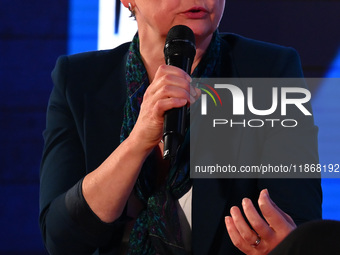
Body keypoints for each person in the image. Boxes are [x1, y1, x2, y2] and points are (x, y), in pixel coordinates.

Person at [39, 0, 322, 254]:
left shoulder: (269, 71)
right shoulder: (78, 81)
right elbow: (62, 239)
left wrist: (284, 247)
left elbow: (299, 222)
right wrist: (138, 142)